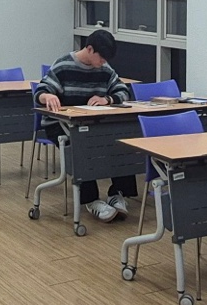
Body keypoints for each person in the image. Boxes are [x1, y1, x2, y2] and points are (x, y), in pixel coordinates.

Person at [35, 29, 135, 222]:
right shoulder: (63, 65)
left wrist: (107, 99)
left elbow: (123, 91)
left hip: (93, 124)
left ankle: (117, 193)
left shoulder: (105, 69)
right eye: (101, 58)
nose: (103, 62)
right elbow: (41, 91)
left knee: (122, 142)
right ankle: (91, 200)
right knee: (83, 146)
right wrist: (47, 96)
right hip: (61, 125)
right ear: (89, 49)